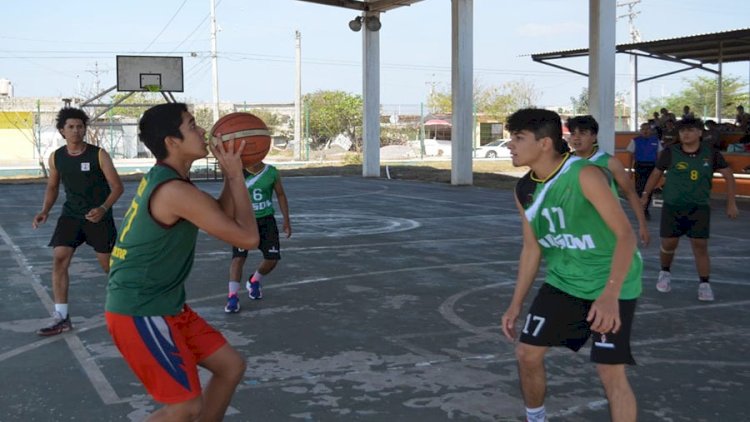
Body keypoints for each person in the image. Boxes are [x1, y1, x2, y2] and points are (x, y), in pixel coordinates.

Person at [105, 103, 259, 421]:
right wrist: (235, 176)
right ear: (172, 141)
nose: (204, 132)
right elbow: (247, 238)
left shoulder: (170, 180)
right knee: (184, 406)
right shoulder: (174, 190)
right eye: (192, 126)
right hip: (141, 309)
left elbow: (220, 213)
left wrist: (232, 178)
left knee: (230, 367)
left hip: (167, 306)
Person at [501, 108, 642, 422]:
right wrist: (515, 305)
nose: (510, 145)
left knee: (610, 372)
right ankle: (535, 417)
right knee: (527, 353)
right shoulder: (524, 189)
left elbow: (625, 236)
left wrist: (609, 297)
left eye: (518, 138)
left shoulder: (584, 175)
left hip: (612, 282)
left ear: (545, 144)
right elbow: (531, 249)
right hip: (565, 282)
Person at [32, 107, 123, 336]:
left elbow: (117, 187)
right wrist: (45, 210)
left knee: (109, 266)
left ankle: (129, 308)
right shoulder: (57, 156)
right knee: (59, 259)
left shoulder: (98, 154)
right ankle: (61, 316)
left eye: (80, 126)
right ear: (62, 131)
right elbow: (52, 186)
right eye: (71, 127)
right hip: (71, 216)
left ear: (85, 129)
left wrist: (103, 208)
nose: (76, 130)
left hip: (98, 217)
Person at [640, 117, 739, 301]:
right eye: (682, 130)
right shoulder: (671, 152)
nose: (686, 133)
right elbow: (656, 173)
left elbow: (729, 176)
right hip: (673, 206)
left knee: (700, 246)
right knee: (669, 243)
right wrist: (646, 194)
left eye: (691, 130)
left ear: (700, 133)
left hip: (699, 207)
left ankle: (704, 284)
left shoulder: (711, 153)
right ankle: (665, 272)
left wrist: (731, 202)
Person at [567, 115, 649, 245]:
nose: (576, 137)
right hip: (573, 230)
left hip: (604, 229)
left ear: (594, 137)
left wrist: (642, 225)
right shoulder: (564, 162)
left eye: (582, 133)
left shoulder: (610, 162)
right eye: (573, 133)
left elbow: (630, 193)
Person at [224, 159, 292, 312]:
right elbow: (229, 198)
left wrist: (286, 220)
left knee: (272, 259)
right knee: (238, 257)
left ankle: (254, 280)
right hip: (244, 221)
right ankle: (232, 297)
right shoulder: (238, 172)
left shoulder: (271, 172)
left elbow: (280, 194)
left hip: (266, 220)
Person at [626, 122, 662, 220]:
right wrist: (629, 170)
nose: (645, 131)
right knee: (639, 189)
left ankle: (645, 210)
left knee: (649, 190)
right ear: (640, 130)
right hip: (640, 167)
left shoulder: (656, 140)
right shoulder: (635, 141)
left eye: (647, 129)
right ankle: (640, 210)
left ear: (651, 130)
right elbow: (630, 155)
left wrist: (659, 168)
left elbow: (659, 154)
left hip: (652, 167)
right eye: (643, 129)